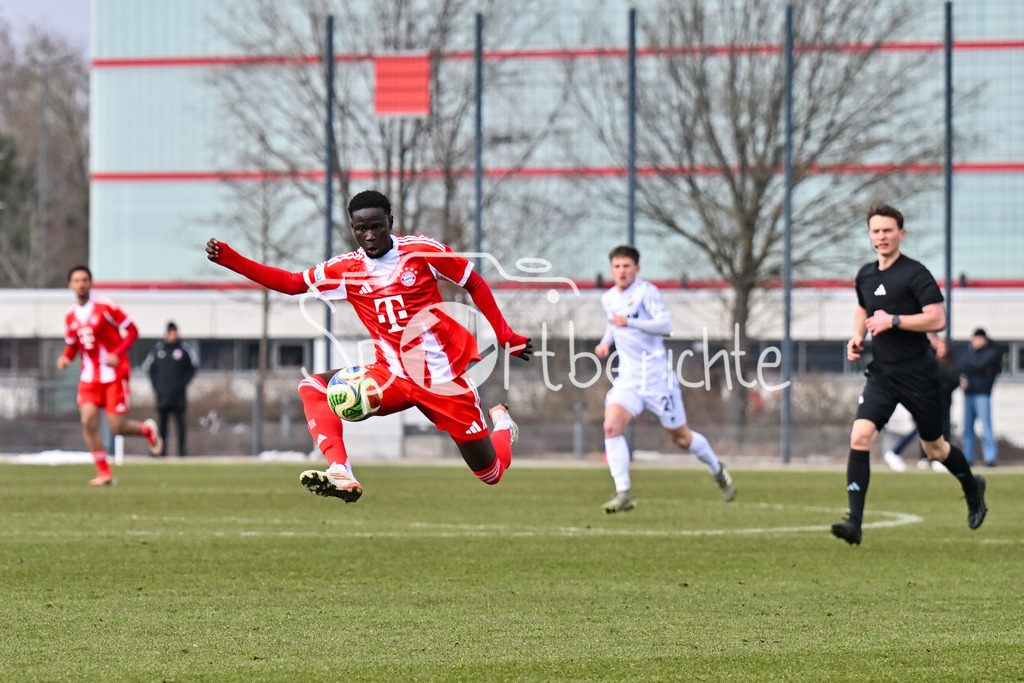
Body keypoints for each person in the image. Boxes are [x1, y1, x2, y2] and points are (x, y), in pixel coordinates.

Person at [206, 190, 532, 502]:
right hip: (389, 376)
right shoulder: (347, 269)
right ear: (353, 229)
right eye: (362, 229)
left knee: (490, 473)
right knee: (313, 387)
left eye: (377, 226)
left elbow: (473, 281)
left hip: (441, 381)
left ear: (390, 221)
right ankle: (340, 469)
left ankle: (502, 424)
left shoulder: (420, 252)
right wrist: (231, 259)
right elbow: (292, 283)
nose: (371, 235)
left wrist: (506, 336)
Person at [833, 204, 986, 545]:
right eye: (876, 231)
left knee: (935, 449)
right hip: (882, 375)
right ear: (870, 235)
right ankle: (854, 523)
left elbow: (937, 318)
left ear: (901, 233)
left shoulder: (916, 274)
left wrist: (895, 320)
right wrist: (858, 336)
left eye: (888, 230)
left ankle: (972, 486)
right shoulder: (866, 275)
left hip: (919, 376)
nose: (881, 237)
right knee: (860, 436)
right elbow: (863, 305)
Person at [594, 245, 735, 513]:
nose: (622, 271)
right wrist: (605, 343)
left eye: (627, 266)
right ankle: (623, 491)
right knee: (611, 427)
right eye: (617, 266)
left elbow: (665, 325)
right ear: (611, 270)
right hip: (628, 378)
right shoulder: (609, 298)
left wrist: (631, 322)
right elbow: (613, 324)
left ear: (637, 269)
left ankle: (717, 469)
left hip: (657, 378)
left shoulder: (647, 293)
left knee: (681, 439)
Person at [58, 266, 164, 486]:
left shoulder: (105, 306)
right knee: (88, 420)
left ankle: (146, 429)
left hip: (114, 375)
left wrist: (117, 353)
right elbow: (73, 346)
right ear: (70, 285)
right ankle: (104, 472)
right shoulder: (70, 317)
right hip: (89, 378)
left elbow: (133, 330)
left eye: (84, 279)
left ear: (90, 283)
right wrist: (65, 358)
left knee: (116, 427)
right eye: (76, 280)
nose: (81, 284)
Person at [882, 332, 958, 473]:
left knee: (938, 431)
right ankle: (896, 452)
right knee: (923, 429)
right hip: (926, 402)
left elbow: (952, 381)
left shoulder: (948, 363)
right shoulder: (926, 356)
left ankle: (934, 458)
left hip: (941, 403)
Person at [145, 321, 198, 456]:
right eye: (171, 332)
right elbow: (150, 369)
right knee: (162, 425)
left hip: (179, 395)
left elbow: (193, 368)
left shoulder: (184, 350)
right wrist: (157, 386)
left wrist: (183, 383)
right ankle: (161, 451)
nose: (174, 335)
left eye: (175, 332)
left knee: (180, 424)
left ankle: (181, 452)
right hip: (162, 394)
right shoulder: (158, 350)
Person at [960, 328, 1003, 467]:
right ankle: (968, 457)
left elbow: (979, 364)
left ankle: (990, 458)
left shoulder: (992, 352)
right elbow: (963, 364)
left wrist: (974, 367)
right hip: (969, 395)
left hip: (983, 394)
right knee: (967, 428)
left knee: (986, 427)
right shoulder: (969, 353)